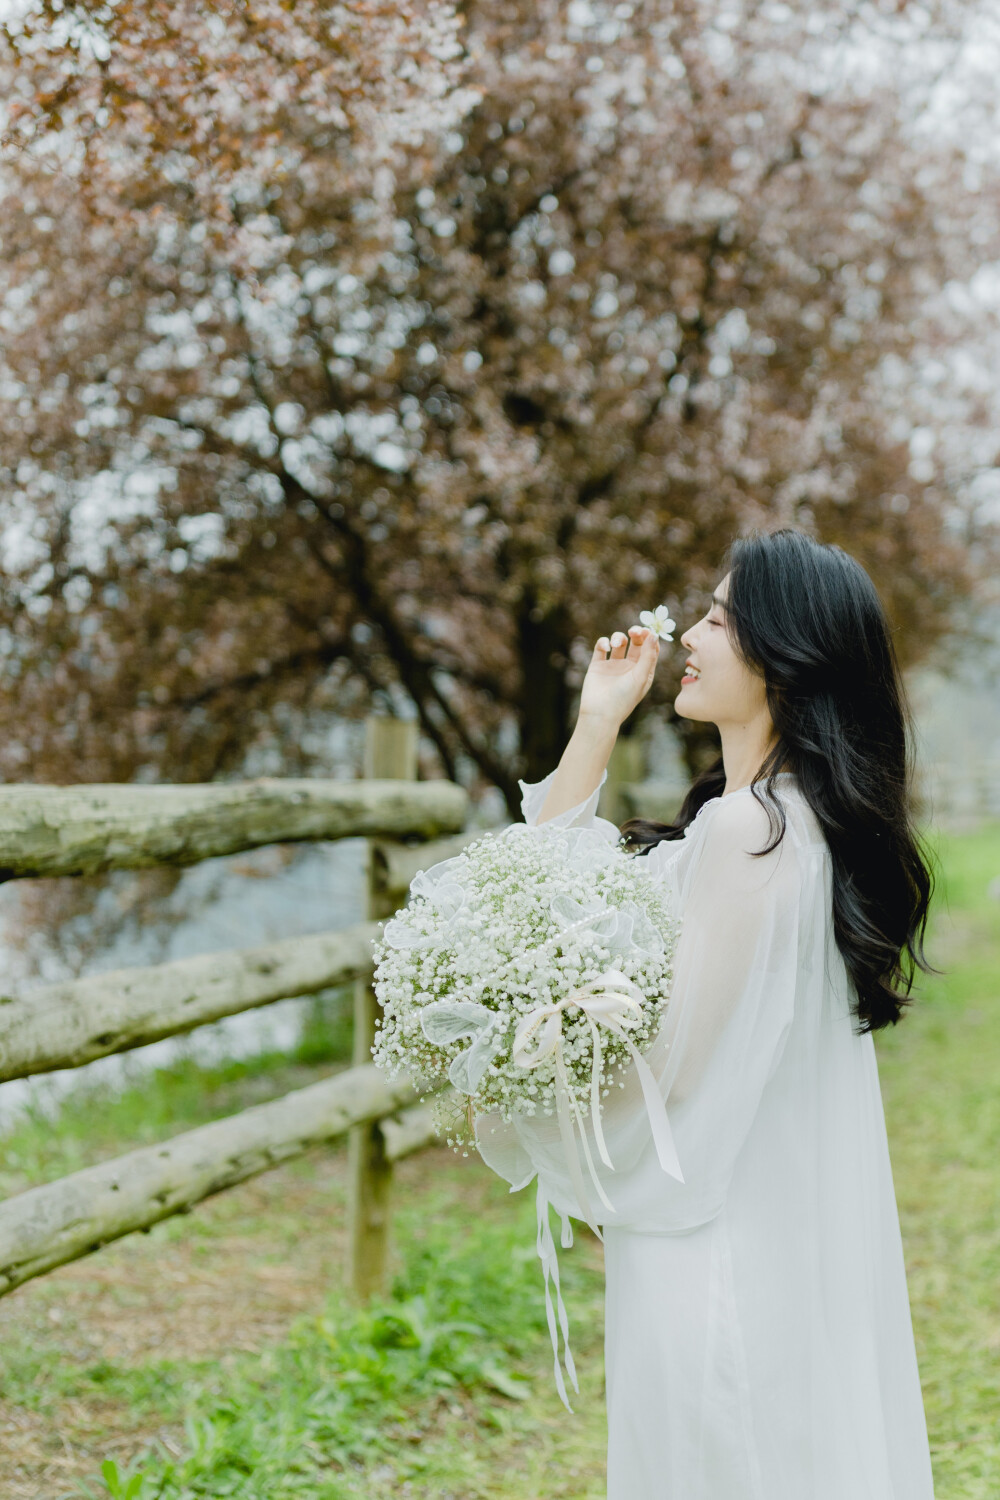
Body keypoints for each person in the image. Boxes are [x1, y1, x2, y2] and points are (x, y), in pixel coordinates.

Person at [474, 528, 938, 1499]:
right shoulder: (783, 817)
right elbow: (543, 885)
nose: (690, 632)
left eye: (721, 618)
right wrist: (597, 718)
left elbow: (677, 1062)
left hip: (717, 1243)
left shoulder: (748, 830)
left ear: (785, 652)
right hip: (765, 1225)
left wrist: (544, 1077)